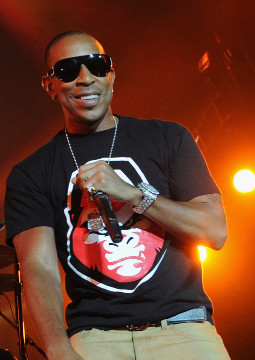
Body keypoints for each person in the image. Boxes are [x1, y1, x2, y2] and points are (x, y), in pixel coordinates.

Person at [4, 31, 231, 359]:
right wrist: (58, 350)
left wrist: (134, 195)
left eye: (96, 65)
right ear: (49, 85)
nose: (85, 79)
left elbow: (215, 232)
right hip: (95, 339)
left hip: (183, 331)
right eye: (68, 71)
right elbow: (38, 267)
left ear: (111, 75)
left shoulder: (168, 138)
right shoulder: (31, 173)